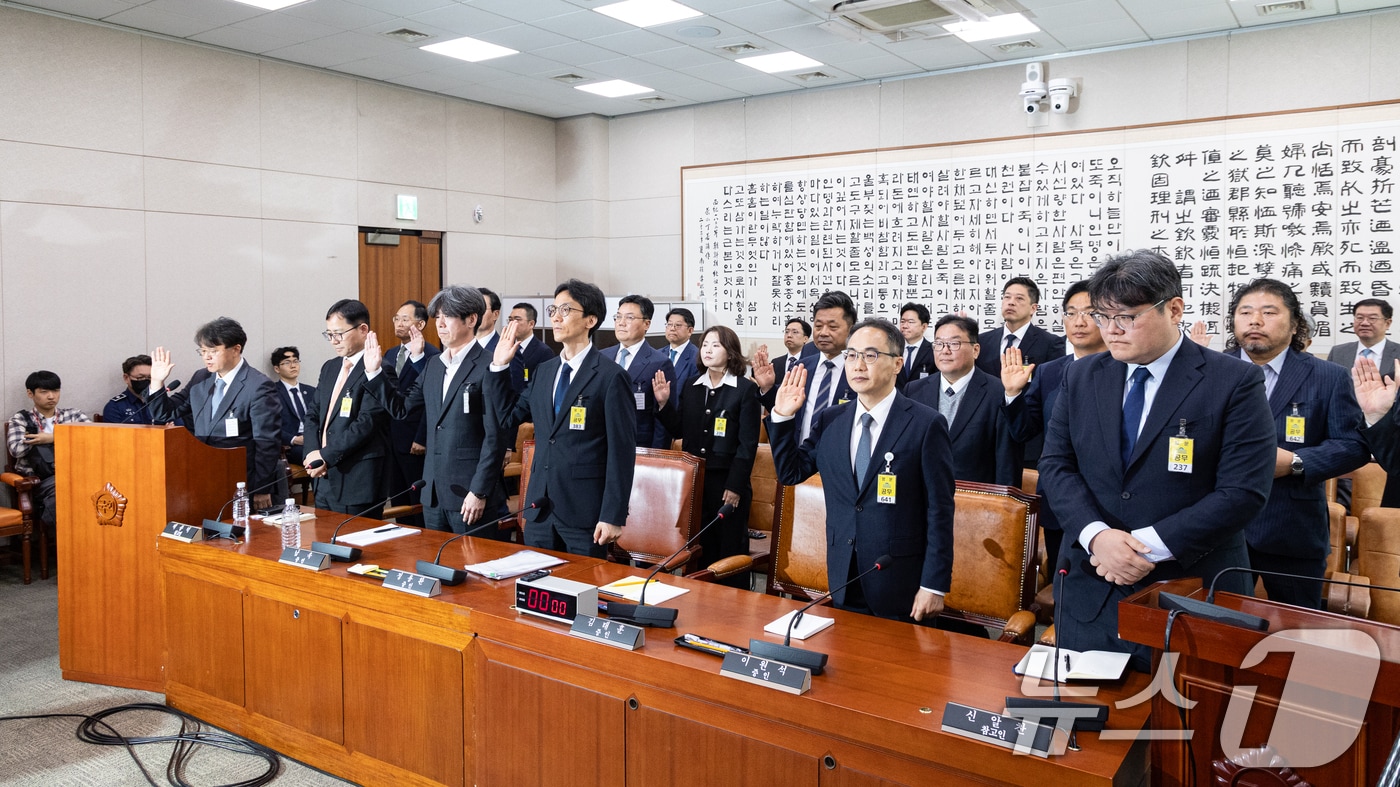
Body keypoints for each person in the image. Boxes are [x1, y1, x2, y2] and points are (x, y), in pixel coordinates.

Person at [1038, 249, 1276, 671]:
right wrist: (1097, 537)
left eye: (1126, 317)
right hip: (1092, 583)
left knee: (1190, 726)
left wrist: (1142, 548)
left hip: (1193, 589)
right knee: (1091, 722)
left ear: (1174, 309)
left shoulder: (1233, 380)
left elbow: (1243, 491)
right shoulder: (1081, 375)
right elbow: (1057, 465)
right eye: (1102, 316)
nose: (1110, 331)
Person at [767, 318, 955, 623]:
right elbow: (791, 473)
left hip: (900, 581)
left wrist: (933, 584)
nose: (857, 365)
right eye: (851, 355)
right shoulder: (832, 419)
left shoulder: (925, 424)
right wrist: (782, 416)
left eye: (870, 355)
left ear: (897, 363)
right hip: (844, 572)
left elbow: (940, 510)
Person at [1223, 278, 1368, 608]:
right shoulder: (1209, 370)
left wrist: (1295, 463)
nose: (1255, 321)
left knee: (1297, 635)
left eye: (1269, 312)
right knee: (1218, 628)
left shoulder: (1327, 376)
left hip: (1291, 531)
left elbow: (1352, 445)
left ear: (1295, 324)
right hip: (1219, 530)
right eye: (1245, 312)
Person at [486, 279, 636, 557]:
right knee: (538, 591)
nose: (555, 317)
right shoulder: (545, 371)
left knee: (583, 595)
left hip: (585, 512)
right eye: (553, 309)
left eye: (565, 310)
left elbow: (622, 452)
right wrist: (498, 367)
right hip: (540, 508)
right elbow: (507, 417)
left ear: (590, 320)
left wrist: (613, 514)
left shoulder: (611, 376)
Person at [364, 286, 509, 535]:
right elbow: (402, 409)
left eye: (448, 316)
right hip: (432, 492)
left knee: (472, 567)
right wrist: (375, 373)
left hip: (469, 494)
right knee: (437, 565)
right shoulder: (434, 365)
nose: (440, 324)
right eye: (437, 317)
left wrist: (479, 490)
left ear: (471, 319)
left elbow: (495, 436)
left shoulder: (490, 365)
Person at [1001, 280, 1107, 565]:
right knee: (1063, 584)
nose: (1079, 322)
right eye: (1071, 313)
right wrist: (1013, 394)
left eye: (1089, 312)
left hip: (1109, 504)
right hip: (1060, 501)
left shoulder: (1124, 369)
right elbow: (1024, 430)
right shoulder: (1049, 372)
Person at [652, 325, 761, 587]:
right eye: (705, 345)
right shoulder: (692, 385)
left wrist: (734, 486)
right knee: (700, 544)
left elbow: (748, 445)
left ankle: (734, 603)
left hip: (727, 483)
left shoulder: (744, 389)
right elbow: (680, 430)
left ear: (730, 351)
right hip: (696, 480)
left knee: (728, 546)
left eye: (716, 345)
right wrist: (664, 404)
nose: (708, 350)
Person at [148, 318, 283, 510]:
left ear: (235, 349)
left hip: (240, 480)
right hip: (202, 474)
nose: (206, 357)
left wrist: (262, 488)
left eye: (213, 351)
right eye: (203, 351)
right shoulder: (201, 378)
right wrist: (156, 383)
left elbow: (267, 442)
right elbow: (166, 413)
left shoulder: (259, 386)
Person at [302, 299, 392, 517]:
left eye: (339, 333)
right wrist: (312, 454)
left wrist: (326, 455)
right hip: (323, 477)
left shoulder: (379, 370)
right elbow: (314, 414)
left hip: (358, 479)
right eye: (329, 334)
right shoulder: (331, 367)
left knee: (355, 547)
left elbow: (366, 423)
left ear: (363, 330)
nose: (333, 341)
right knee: (324, 541)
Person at [906, 315, 1021, 487]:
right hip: (923, 501)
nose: (945, 350)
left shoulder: (997, 392)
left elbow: (1006, 460)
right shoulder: (914, 390)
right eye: (938, 343)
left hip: (976, 501)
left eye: (954, 344)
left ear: (975, 350)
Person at [977, 277, 1065, 469]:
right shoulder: (981, 342)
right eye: (1007, 297)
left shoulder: (1051, 344)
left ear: (1033, 308)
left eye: (1019, 299)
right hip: (985, 437)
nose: (1010, 302)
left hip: (1028, 441)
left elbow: (1051, 398)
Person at [753, 291, 858, 442]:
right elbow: (784, 409)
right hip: (799, 456)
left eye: (832, 327)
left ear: (850, 329)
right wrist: (768, 388)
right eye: (818, 326)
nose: (823, 333)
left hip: (838, 458)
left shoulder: (859, 370)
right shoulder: (802, 366)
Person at [6, 371, 90, 529]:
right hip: (41, 479)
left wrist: (52, 437)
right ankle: (67, 534)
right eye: (44, 392)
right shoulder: (22, 419)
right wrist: (36, 441)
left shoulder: (73, 415)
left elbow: (94, 440)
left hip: (74, 472)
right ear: (30, 393)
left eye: (56, 391)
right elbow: (16, 450)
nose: (51, 396)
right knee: (65, 488)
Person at [383, 300, 440, 525]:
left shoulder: (432, 356)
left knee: (417, 499)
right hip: (391, 438)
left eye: (405, 319)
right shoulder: (390, 352)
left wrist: (422, 436)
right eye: (396, 318)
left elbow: (432, 401)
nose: (398, 323)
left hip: (415, 439)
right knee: (397, 496)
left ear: (421, 324)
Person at [600, 295, 675, 449]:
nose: (621, 323)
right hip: (601, 444)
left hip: (637, 446)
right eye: (618, 317)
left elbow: (663, 420)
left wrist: (656, 456)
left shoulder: (659, 362)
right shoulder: (602, 356)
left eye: (629, 318)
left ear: (646, 324)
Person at [1328, 298, 1398, 376]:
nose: (1364, 323)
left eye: (1372, 318)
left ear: (1387, 323)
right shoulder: (1338, 352)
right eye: (1360, 318)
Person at [270, 346, 316, 464]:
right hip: (291, 446)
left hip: (314, 440)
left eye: (295, 361)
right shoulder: (271, 393)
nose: (293, 365)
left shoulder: (311, 391)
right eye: (287, 362)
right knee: (316, 458)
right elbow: (269, 425)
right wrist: (294, 439)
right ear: (277, 368)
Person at [507, 302, 553, 394]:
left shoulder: (544, 352)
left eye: (517, 320)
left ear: (531, 324)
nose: (512, 324)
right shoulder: (506, 348)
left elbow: (543, 386)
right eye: (510, 320)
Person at [102, 355, 154, 424]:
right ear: (126, 378)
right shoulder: (115, 407)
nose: (146, 381)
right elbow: (114, 434)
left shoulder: (161, 402)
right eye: (140, 377)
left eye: (150, 377)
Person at [895, 303, 936, 387]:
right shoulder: (893, 349)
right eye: (902, 322)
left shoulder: (933, 351)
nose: (905, 326)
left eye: (910, 322)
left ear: (924, 327)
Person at [663, 308, 700, 389]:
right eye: (669, 324)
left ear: (690, 331)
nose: (672, 328)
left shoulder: (697, 358)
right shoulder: (658, 354)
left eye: (678, 325)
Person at [477, 288, 503, 355]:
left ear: (495, 314)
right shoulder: (460, 347)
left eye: (481, 309)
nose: (475, 314)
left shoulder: (506, 350)